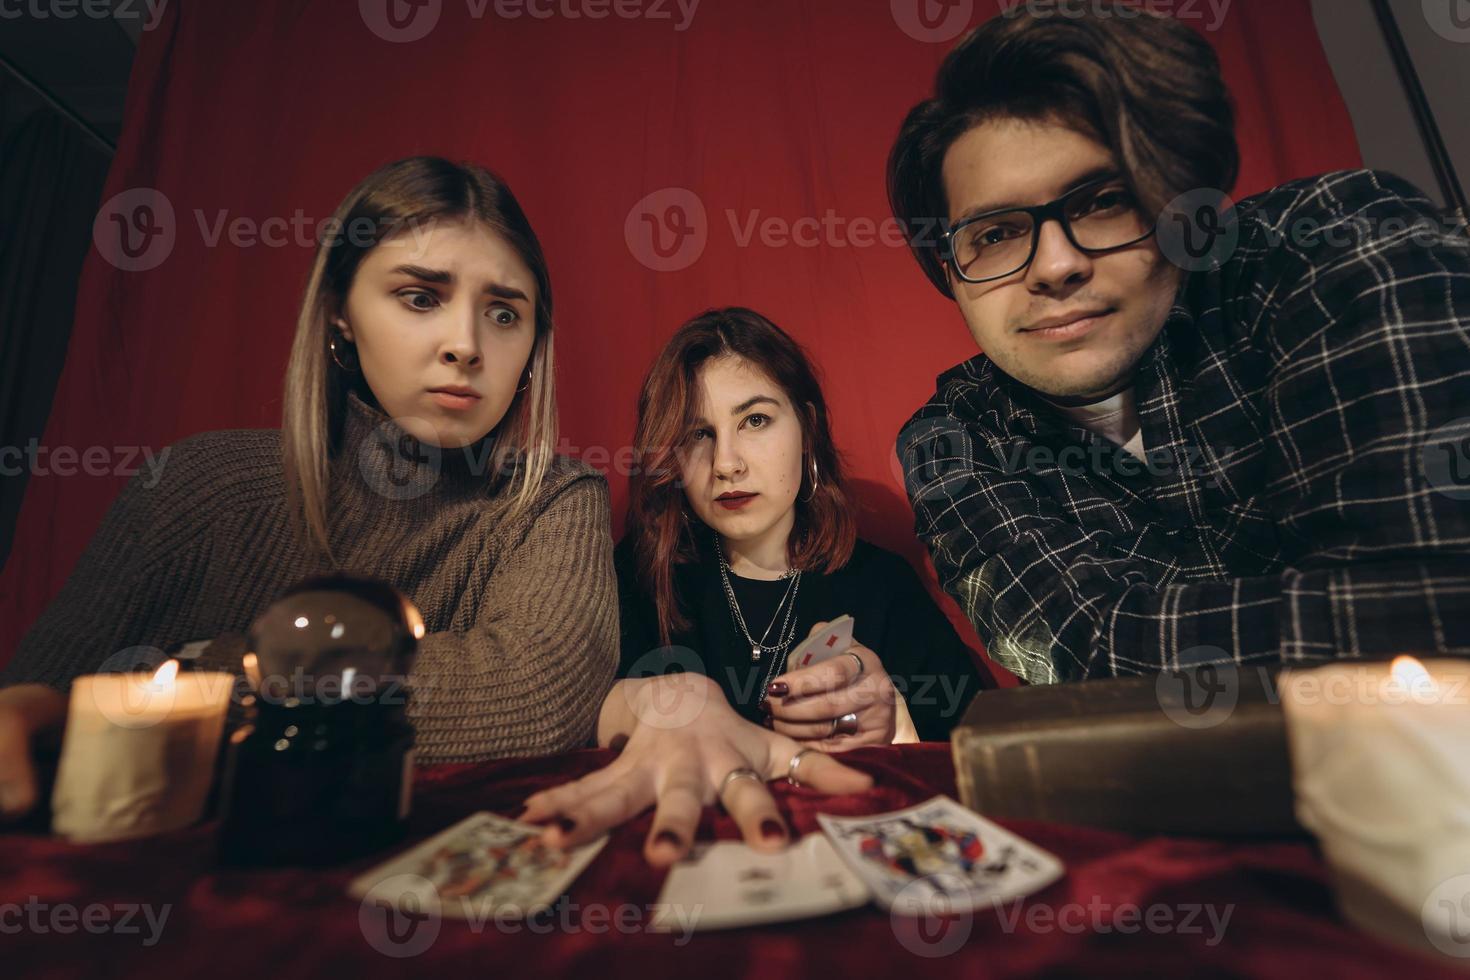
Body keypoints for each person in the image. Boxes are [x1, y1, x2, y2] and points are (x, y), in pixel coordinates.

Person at [0, 157, 620, 821]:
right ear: (339, 316)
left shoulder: (550, 498)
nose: (465, 345)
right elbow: (33, 709)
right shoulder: (196, 484)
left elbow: (535, 695)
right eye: (420, 297)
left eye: (503, 314)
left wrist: (202, 676)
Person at [886, 5, 1470, 685]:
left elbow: (1442, 611)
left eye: (1104, 201)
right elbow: (1079, 649)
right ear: (951, 273)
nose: (1053, 266)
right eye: (994, 234)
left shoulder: (1331, 251)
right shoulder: (951, 438)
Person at [613, 307, 987, 745]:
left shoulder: (881, 585)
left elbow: (971, 748)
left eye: (755, 420)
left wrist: (895, 723)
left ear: (807, 428)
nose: (726, 464)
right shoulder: (643, 576)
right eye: (699, 434)